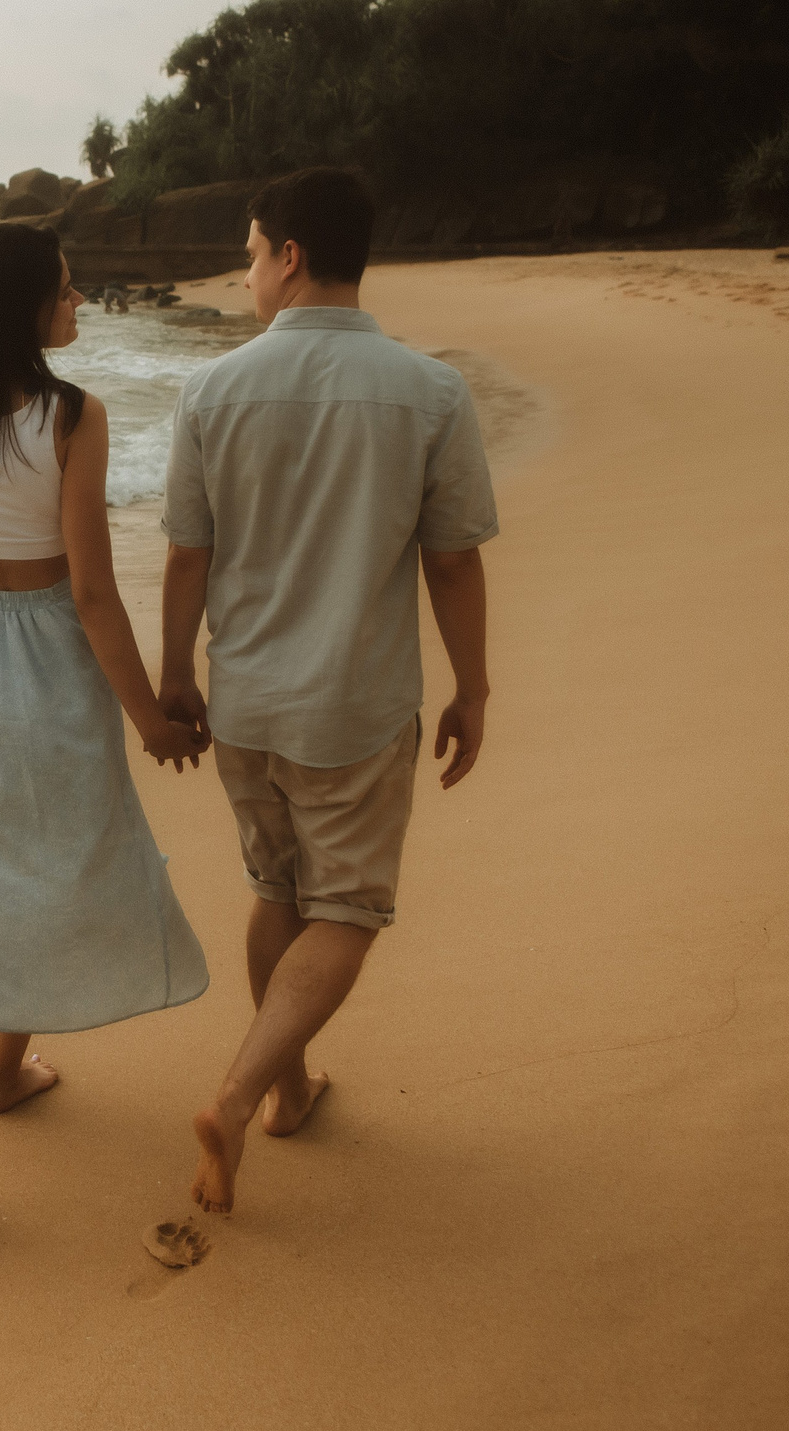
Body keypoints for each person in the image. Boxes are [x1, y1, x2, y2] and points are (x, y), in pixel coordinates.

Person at [158, 167, 498, 1215]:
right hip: (354, 706)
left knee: (278, 894)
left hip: (248, 699)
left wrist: (175, 677)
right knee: (345, 909)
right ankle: (247, 1088)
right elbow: (450, 562)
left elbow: (186, 556)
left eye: (252, 252)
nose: (249, 273)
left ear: (289, 255)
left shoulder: (211, 392)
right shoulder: (429, 391)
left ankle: (288, 1090)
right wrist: (472, 687)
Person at [0, 223, 212, 1219]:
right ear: (26, 308)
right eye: (66, 292)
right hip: (52, 661)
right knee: (55, 866)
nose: (78, 303)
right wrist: (150, 713)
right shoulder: (74, 415)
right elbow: (92, 591)